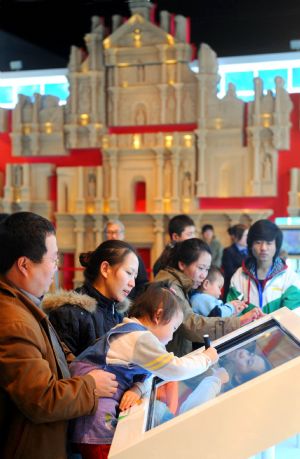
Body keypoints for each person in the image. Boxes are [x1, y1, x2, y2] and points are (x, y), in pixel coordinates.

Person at [0, 211, 118, 459]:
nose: (56, 268)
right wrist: (91, 386)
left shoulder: (24, 305)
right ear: (24, 265)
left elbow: (53, 352)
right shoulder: (14, 321)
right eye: (53, 259)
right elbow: (41, 399)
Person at [69, 282, 219, 459]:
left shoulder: (129, 332)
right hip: (97, 426)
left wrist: (138, 388)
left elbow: (151, 373)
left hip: (93, 419)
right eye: (173, 329)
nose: (171, 337)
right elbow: (174, 369)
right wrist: (206, 358)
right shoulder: (140, 338)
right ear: (158, 315)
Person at [154, 238, 263, 357]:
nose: (203, 275)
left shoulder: (181, 285)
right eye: (200, 268)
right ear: (182, 265)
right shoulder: (170, 287)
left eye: (206, 269)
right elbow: (190, 325)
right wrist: (239, 321)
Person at [43, 239, 139, 356]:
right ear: (105, 269)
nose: (132, 283)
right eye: (129, 273)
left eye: (135, 276)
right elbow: (64, 369)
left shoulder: (119, 313)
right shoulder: (69, 313)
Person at [227, 219, 300, 313]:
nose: (263, 248)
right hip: (246, 328)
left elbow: (292, 316)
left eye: (269, 243)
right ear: (250, 245)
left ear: (276, 246)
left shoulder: (290, 278)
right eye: (258, 242)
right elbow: (231, 314)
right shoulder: (239, 275)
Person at [104, 219, 148, 299]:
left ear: (123, 234)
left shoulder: (133, 255)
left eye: (116, 232)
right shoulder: (102, 253)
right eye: (110, 232)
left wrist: (134, 303)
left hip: (128, 301)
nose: (113, 236)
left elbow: (142, 282)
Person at [221, 223, 248, 300]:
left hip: (247, 287)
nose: (248, 238)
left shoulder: (251, 251)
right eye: (245, 235)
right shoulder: (228, 251)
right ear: (237, 237)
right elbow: (229, 272)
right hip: (233, 287)